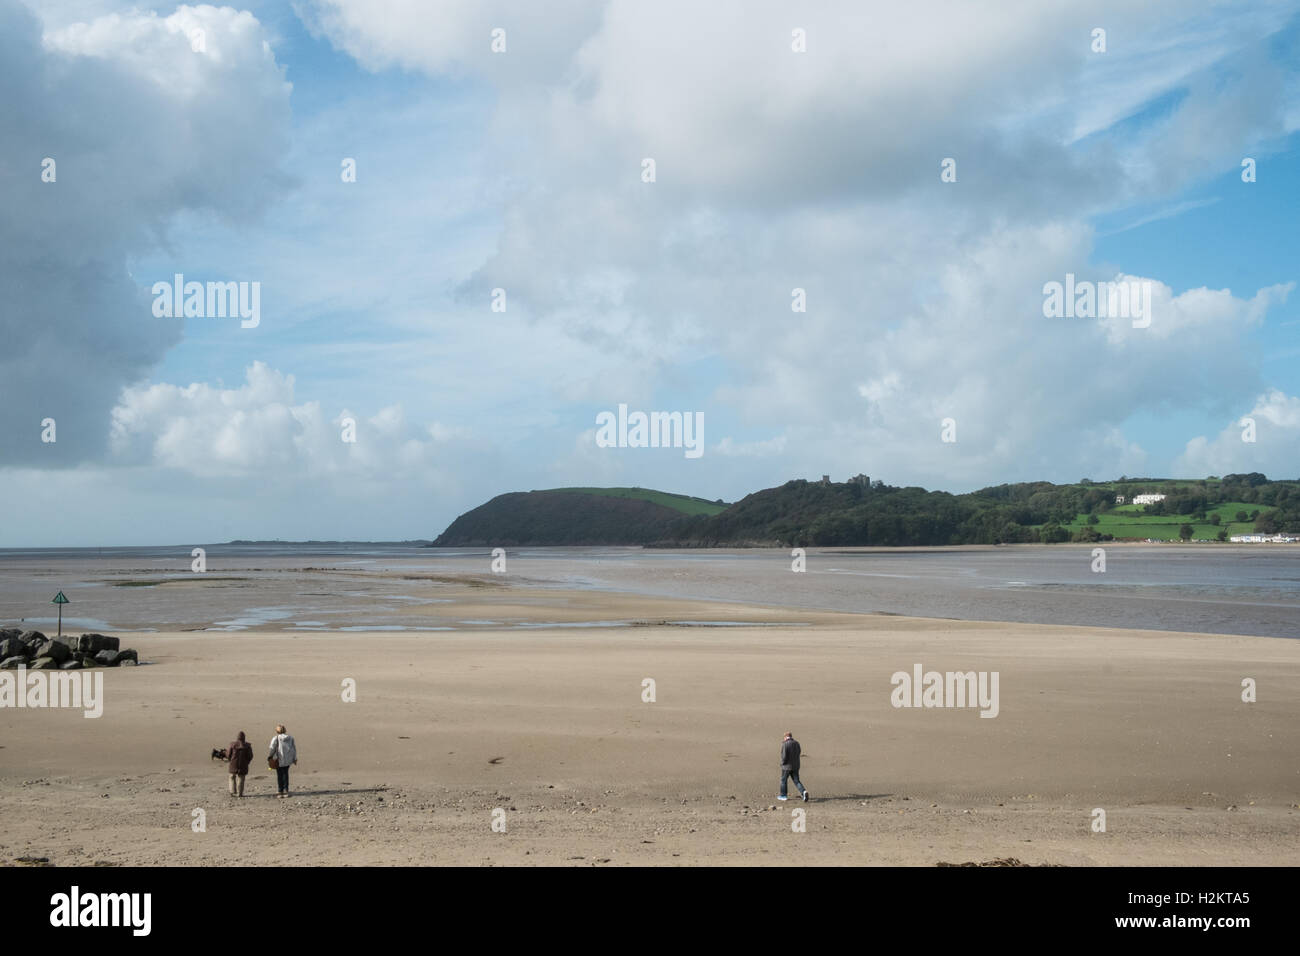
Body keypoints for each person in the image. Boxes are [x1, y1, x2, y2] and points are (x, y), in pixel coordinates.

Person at [268, 724, 298, 798]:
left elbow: (272, 748)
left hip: (279, 759)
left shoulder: (276, 738)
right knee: (285, 774)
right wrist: (294, 758)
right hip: (288, 759)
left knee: (279, 775)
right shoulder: (290, 738)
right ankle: (286, 790)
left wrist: (270, 756)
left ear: (277, 731)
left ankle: (280, 790)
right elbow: (294, 749)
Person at [778, 731, 809, 802]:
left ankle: (783, 795)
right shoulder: (797, 743)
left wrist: (782, 763)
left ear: (785, 737)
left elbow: (784, 756)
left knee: (783, 780)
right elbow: (799, 752)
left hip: (786, 766)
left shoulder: (785, 744)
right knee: (796, 781)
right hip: (796, 766)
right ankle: (803, 792)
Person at [226, 731, 253, 797]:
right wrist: (247, 762)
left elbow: (228, 754)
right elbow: (250, 756)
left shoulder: (232, 745)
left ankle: (232, 791)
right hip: (243, 764)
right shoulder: (247, 746)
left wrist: (230, 759)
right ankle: (240, 793)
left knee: (232, 777)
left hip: (233, 763)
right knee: (241, 778)